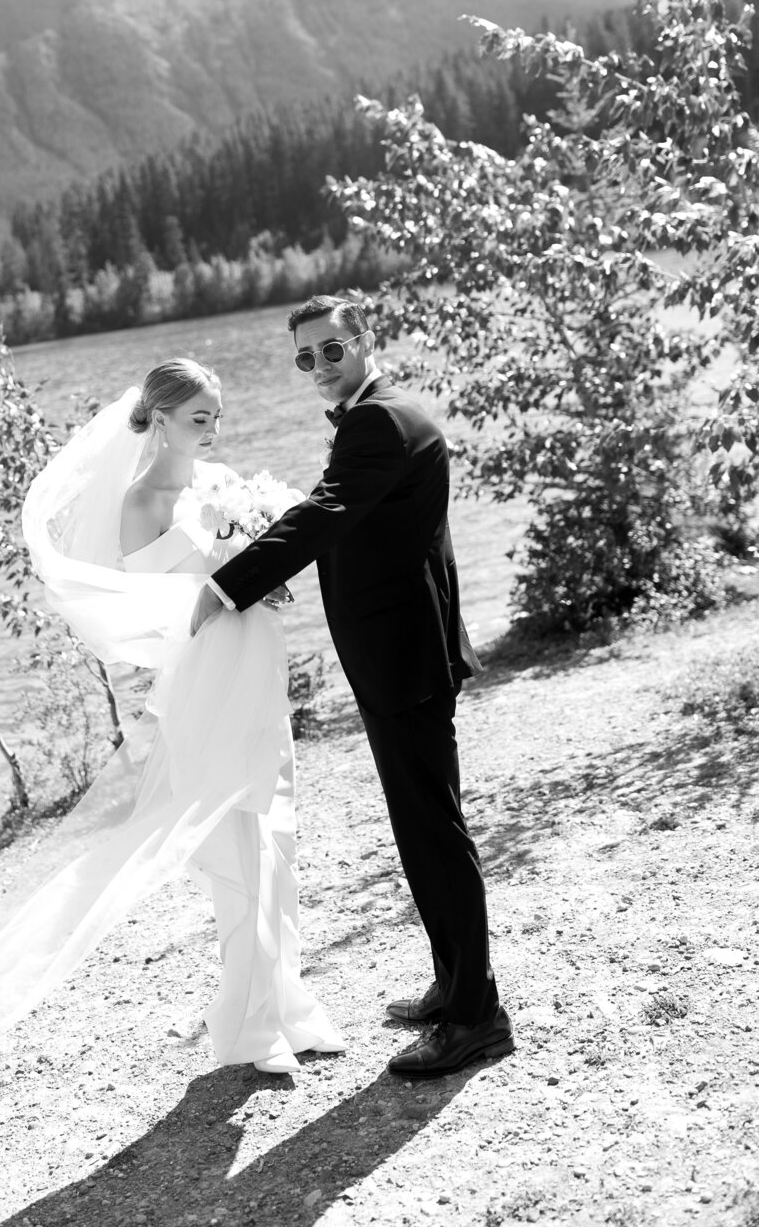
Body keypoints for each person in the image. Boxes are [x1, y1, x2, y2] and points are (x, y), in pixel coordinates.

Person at [0, 358, 343, 1076]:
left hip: (257, 668)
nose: (213, 431)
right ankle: (246, 1028)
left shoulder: (219, 485)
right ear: (157, 419)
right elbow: (162, 612)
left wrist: (258, 577)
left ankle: (287, 1004)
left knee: (278, 839)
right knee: (241, 852)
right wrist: (230, 575)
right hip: (209, 680)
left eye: (217, 417)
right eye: (198, 419)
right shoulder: (141, 502)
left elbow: (237, 574)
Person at [191, 295, 512, 1079]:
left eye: (330, 351)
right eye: (305, 358)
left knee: (434, 833)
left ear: (364, 341)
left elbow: (330, 511)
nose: (318, 369)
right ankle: (456, 985)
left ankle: (478, 1018)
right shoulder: (387, 414)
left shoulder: (378, 421)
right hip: (403, 651)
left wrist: (229, 584)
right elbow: (360, 524)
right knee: (420, 828)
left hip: (403, 657)